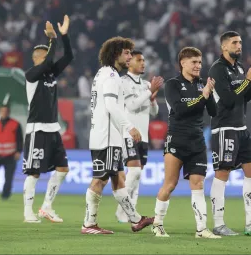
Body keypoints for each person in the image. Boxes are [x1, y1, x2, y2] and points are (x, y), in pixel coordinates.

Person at [82, 36, 154, 235]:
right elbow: (112, 105)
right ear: (116, 54)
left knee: (119, 178)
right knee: (100, 179)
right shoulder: (112, 76)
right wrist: (130, 126)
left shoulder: (104, 73)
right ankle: (89, 224)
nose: (130, 56)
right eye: (127, 53)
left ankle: (136, 220)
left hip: (108, 135)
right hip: (106, 137)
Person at [208, 31, 251, 236]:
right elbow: (228, 100)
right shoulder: (217, 69)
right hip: (224, 127)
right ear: (224, 47)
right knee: (223, 173)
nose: (239, 45)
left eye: (240, 42)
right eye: (234, 42)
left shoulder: (239, 68)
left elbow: (244, 98)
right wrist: (248, 80)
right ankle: (218, 224)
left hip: (241, 128)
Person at [151, 47, 220, 239]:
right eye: (194, 62)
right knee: (170, 184)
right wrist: (203, 95)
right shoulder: (172, 85)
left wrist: (210, 93)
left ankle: (201, 229)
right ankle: (157, 223)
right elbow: (180, 109)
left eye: (199, 62)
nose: (198, 65)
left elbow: (213, 111)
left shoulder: (202, 85)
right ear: (183, 63)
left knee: (198, 183)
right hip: (177, 139)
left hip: (197, 141)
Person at [22, 15, 73, 223]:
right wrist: (52, 40)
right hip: (37, 129)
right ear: (37, 59)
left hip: (53, 129)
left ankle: (46, 207)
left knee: (63, 169)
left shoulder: (50, 75)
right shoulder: (31, 74)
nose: (48, 59)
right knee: (34, 173)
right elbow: (51, 60)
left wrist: (64, 36)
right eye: (44, 56)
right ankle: (27, 212)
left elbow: (68, 57)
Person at [115, 50, 163, 223]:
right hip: (129, 133)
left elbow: (154, 112)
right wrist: (150, 91)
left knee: (137, 175)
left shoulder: (144, 84)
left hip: (143, 137)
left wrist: (152, 98)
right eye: (139, 60)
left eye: (144, 60)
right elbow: (132, 105)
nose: (143, 63)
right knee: (134, 171)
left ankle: (131, 212)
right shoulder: (123, 82)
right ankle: (123, 210)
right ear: (129, 63)